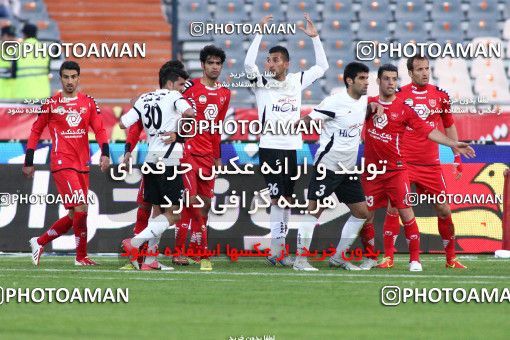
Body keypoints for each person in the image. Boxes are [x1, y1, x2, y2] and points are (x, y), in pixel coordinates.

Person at [360, 64, 475, 271]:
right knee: (393, 208)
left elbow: (444, 126)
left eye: (427, 68)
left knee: (443, 208)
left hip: (430, 164)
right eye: (420, 69)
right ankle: (389, 257)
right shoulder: (399, 95)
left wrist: (456, 152)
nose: (425, 72)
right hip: (402, 162)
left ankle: (451, 259)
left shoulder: (440, 96)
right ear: (410, 73)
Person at [244, 13, 328, 266]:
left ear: (286, 64)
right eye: (269, 60)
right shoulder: (261, 83)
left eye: (276, 60)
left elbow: (322, 67)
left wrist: (315, 39)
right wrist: (258, 33)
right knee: (277, 198)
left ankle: (278, 251)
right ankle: (277, 252)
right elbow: (249, 65)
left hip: (292, 147)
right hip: (270, 148)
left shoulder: (296, 81)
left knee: (287, 198)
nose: (270, 63)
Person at [292, 62, 383, 271]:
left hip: (348, 169)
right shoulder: (335, 101)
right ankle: (300, 260)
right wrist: (299, 124)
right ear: (350, 80)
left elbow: (360, 114)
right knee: (314, 210)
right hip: (328, 165)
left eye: (367, 78)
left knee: (362, 212)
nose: (366, 82)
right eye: (361, 78)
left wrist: (372, 108)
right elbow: (310, 117)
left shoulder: (363, 102)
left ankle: (339, 257)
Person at [25, 60, 110, 266]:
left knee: (76, 214)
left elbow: (99, 129)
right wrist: (29, 159)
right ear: (60, 78)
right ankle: (81, 257)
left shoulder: (88, 102)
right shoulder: (51, 104)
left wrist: (105, 153)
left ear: (78, 78)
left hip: (83, 163)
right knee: (81, 207)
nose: (70, 81)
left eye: (73, 77)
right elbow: (36, 130)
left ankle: (40, 241)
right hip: (62, 162)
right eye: (66, 77)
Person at [120, 61, 195, 271]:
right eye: (181, 84)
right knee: (174, 214)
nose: (182, 89)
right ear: (171, 84)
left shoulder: (143, 98)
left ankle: (151, 260)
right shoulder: (174, 97)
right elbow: (191, 113)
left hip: (150, 160)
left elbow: (122, 123)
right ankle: (133, 243)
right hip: (168, 160)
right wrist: (178, 134)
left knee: (157, 211)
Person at [172, 45, 231, 271]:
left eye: (218, 64)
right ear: (202, 65)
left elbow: (217, 127)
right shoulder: (189, 87)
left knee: (205, 206)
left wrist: (217, 157)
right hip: (187, 154)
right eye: (211, 63)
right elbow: (172, 109)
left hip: (208, 156)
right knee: (189, 203)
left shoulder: (225, 93)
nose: (215, 67)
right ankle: (180, 252)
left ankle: (197, 252)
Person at [15, 23, 50, 100]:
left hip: (24, 94)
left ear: (24, 34)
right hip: (42, 94)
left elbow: (13, 71)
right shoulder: (44, 49)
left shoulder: (18, 49)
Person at [0, 25, 16, 99]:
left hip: (13, 97)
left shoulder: (17, 53)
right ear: (2, 37)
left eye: (12, 36)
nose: (11, 39)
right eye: (8, 36)